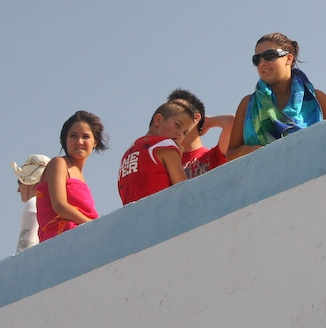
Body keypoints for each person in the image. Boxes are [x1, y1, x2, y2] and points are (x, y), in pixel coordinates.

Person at [227, 32, 326, 159]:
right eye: (256, 59)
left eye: (269, 55)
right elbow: (230, 154)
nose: (262, 63)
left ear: (289, 58)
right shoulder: (248, 104)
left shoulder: (317, 99)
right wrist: (246, 151)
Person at [37, 110, 107, 242]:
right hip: (61, 239)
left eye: (85, 136)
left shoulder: (80, 177)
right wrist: (93, 226)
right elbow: (60, 206)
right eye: (73, 136)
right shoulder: (59, 163)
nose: (79, 141)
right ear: (65, 140)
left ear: (95, 142)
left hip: (82, 237)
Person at [117, 99, 196, 204]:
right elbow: (183, 191)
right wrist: (176, 155)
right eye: (177, 125)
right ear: (158, 120)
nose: (180, 134)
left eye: (185, 132)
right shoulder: (165, 145)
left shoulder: (127, 154)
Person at [167, 88, 233, 178]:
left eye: (178, 110)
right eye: (168, 113)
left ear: (196, 118)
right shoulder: (165, 164)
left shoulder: (213, 156)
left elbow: (231, 122)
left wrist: (209, 122)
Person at [12, 154, 49, 253]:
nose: (18, 189)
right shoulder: (55, 204)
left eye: (20, 182)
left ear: (31, 182)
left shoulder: (34, 203)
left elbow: (25, 249)